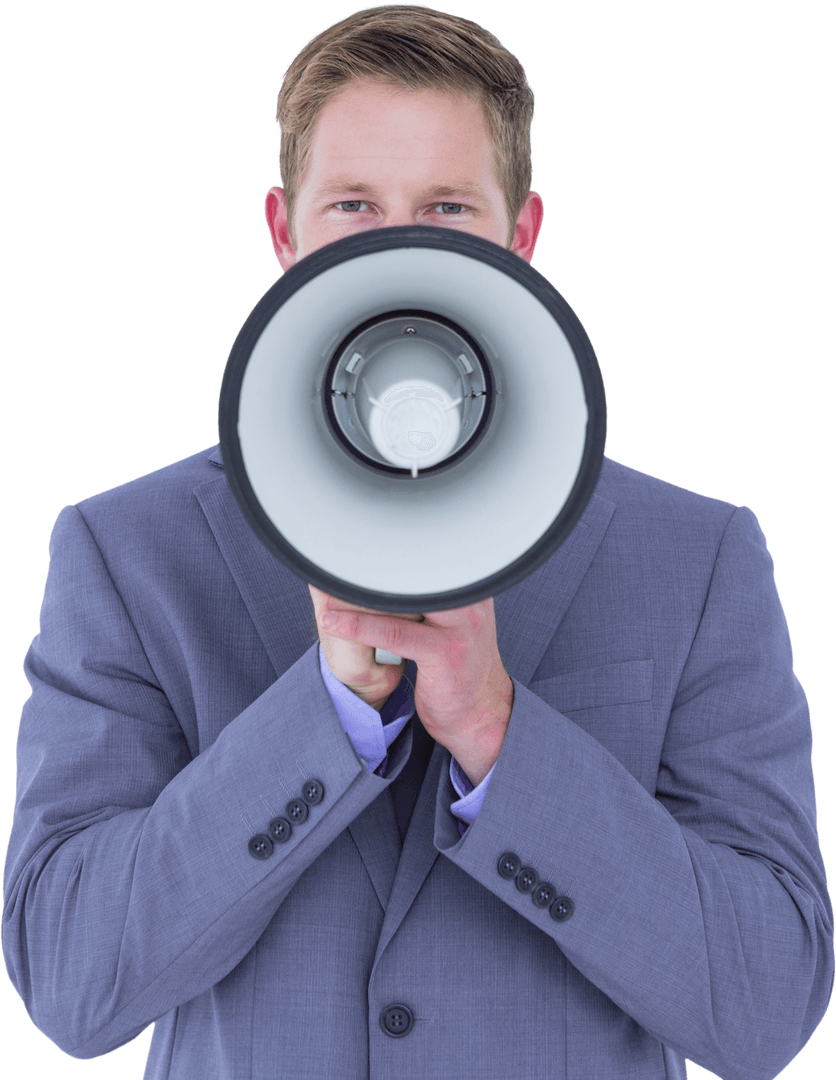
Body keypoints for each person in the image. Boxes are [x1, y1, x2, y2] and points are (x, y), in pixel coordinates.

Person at [2, 6, 833, 1078]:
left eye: (446, 206)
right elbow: (70, 985)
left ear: (517, 236)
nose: (399, 246)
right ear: (283, 233)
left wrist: (498, 736)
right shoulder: (130, 553)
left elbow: (767, 1006)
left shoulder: (695, 556)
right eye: (353, 206)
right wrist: (324, 718)